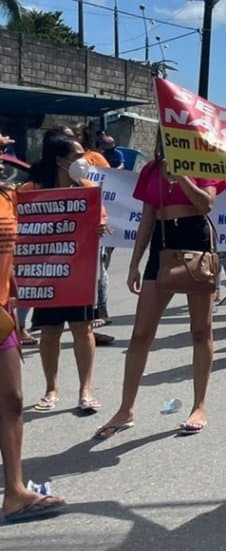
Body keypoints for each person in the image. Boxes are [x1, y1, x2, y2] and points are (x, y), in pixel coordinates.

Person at [94, 141, 226, 440]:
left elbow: (206, 204)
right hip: (162, 244)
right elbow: (147, 218)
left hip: (196, 242)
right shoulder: (152, 170)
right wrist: (134, 263)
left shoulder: (202, 161)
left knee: (200, 331)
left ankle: (199, 405)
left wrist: (181, 174)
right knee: (141, 333)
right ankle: (125, 408)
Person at [21, 136, 109, 414]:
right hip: (47, 273)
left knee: (83, 330)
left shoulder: (87, 189)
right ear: (60, 160)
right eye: (78, 155)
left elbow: (101, 220)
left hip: (79, 272)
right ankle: (51, 389)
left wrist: (100, 227)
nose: (84, 160)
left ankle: (86, 390)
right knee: (50, 332)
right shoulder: (31, 189)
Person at [1, 172, 66, 522]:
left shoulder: (8, 196)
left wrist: (12, 306)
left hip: (1, 315)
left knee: (11, 401)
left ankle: (14, 492)